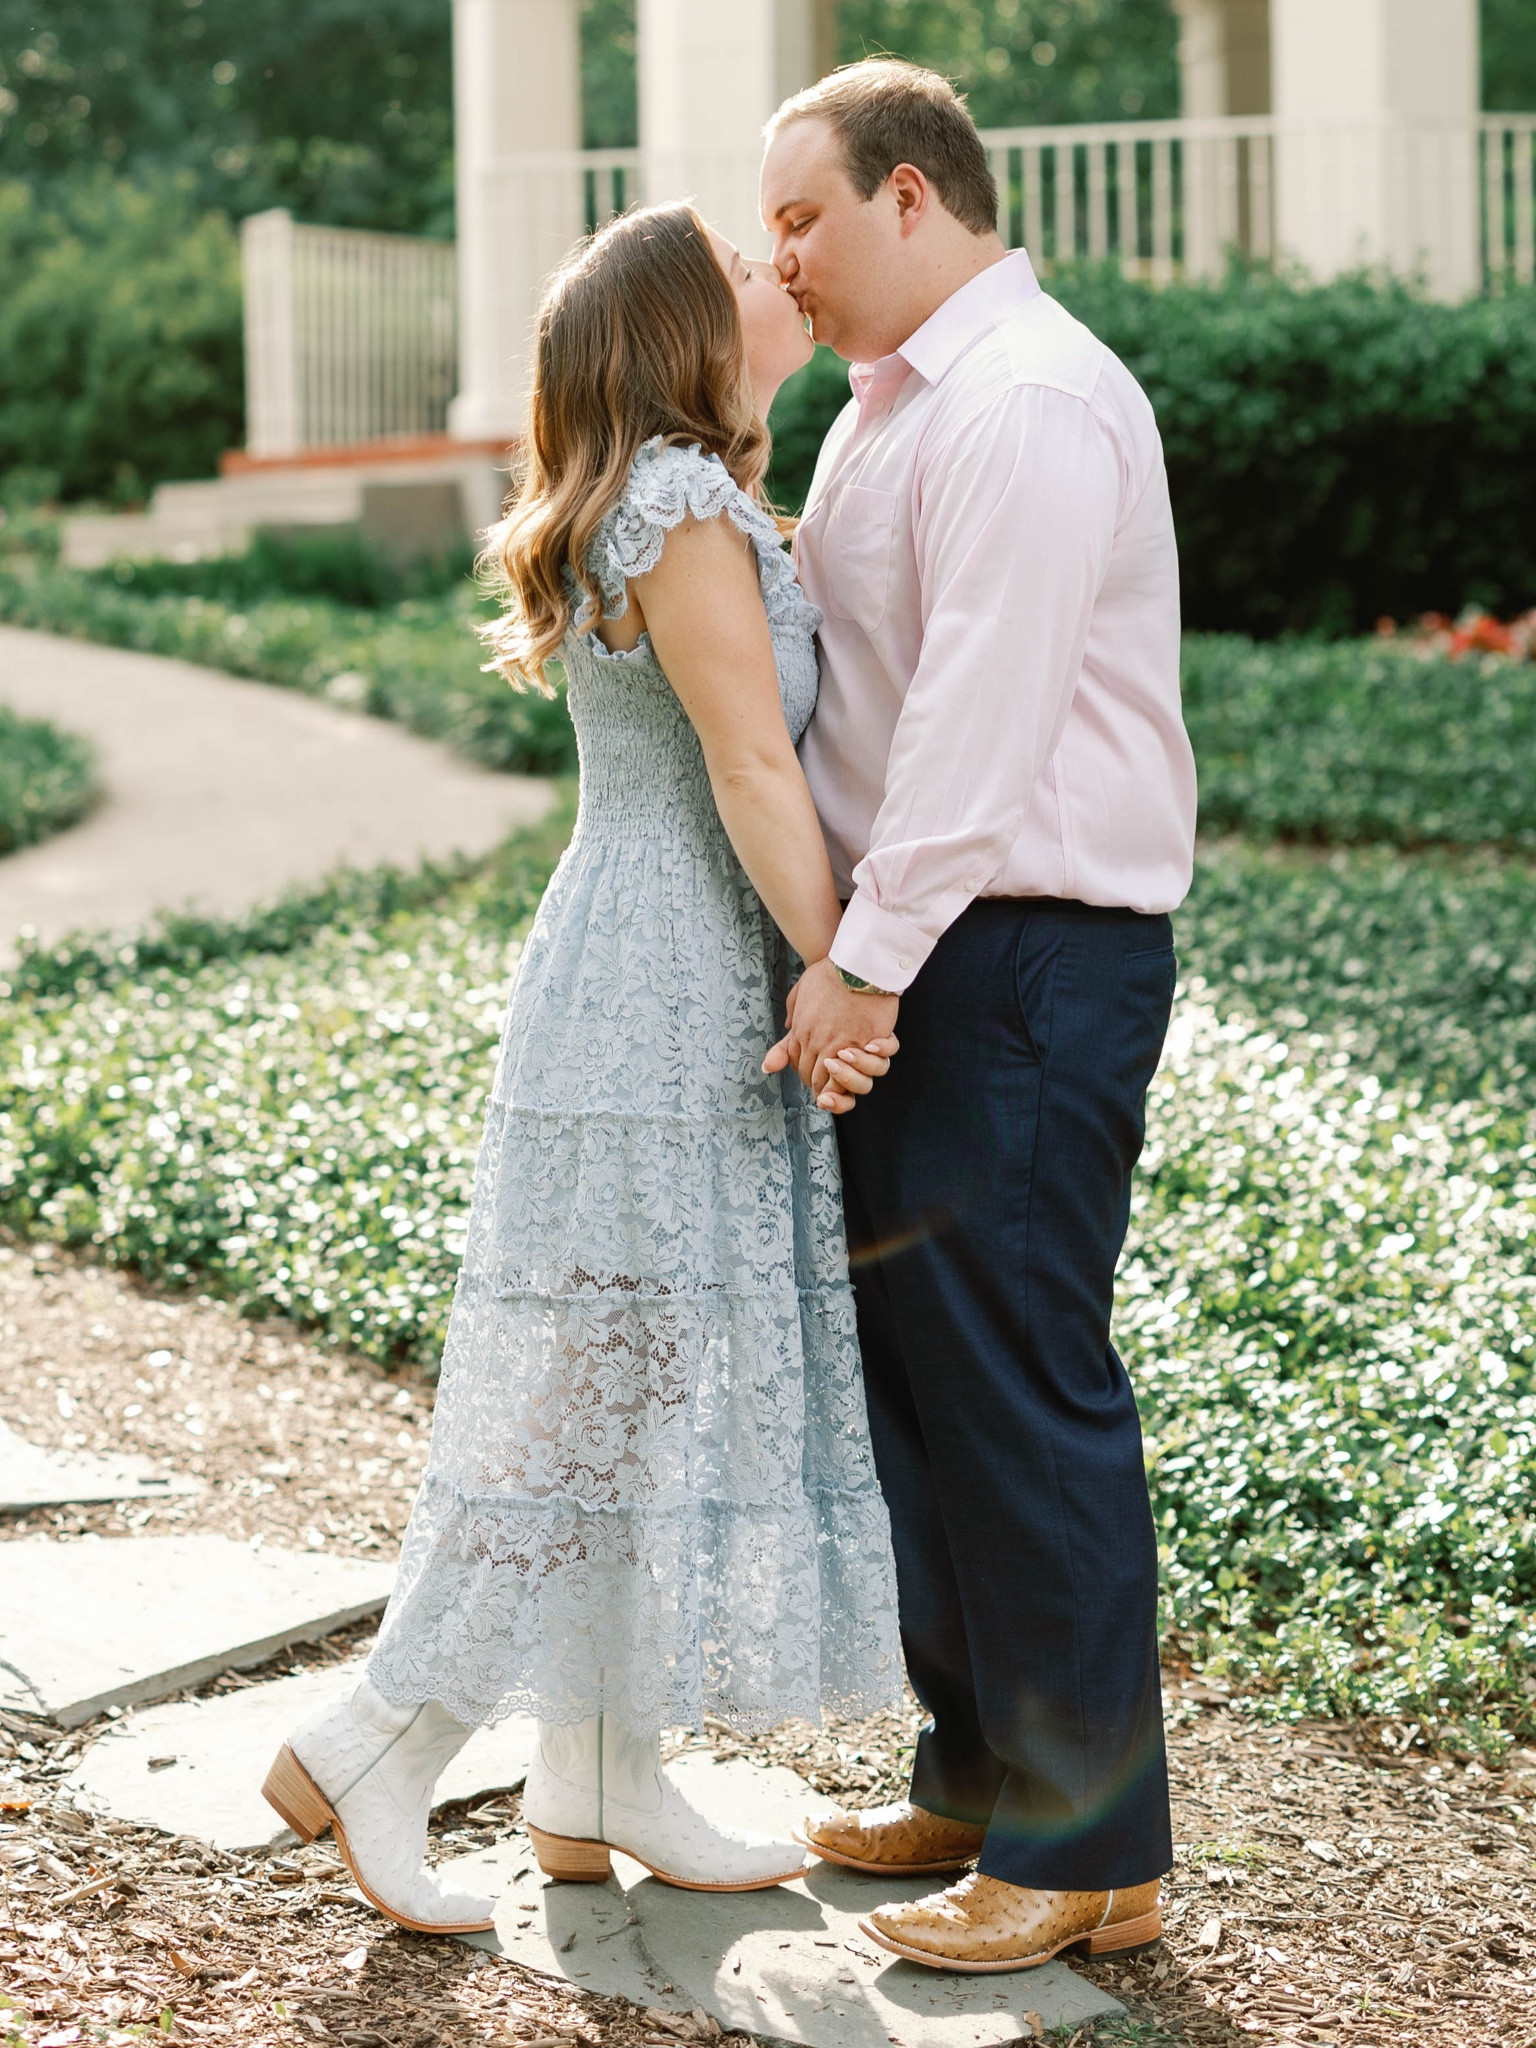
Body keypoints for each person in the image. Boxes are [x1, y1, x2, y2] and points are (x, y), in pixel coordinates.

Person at [260, 202, 903, 1933]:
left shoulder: (681, 495)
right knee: (595, 1389)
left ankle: (602, 1772)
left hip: (649, 963)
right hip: (663, 981)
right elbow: (756, 772)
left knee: (642, 1380)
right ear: (687, 331)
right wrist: (849, 971)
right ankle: (380, 1735)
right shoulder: (683, 503)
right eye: (752, 267)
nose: (785, 275)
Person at [759, 60, 1198, 1974]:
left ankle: (1090, 1849)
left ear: (916, 197)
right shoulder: (884, 413)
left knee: (1019, 1385)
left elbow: (977, 730)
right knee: (923, 1392)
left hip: (1019, 959)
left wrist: (867, 962)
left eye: (806, 219)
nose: (784, 260)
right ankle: (983, 1774)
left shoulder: (1020, 404)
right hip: (938, 949)